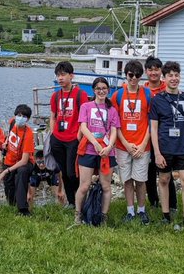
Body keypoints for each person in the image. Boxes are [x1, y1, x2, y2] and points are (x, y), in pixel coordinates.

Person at [149, 61, 184, 227]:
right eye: (170, 75)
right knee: (164, 179)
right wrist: (157, 153)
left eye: (176, 75)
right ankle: (166, 215)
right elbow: (153, 128)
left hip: (183, 147)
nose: (174, 78)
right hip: (165, 147)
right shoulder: (157, 100)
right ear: (164, 78)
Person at [72, 77, 120, 228]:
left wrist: (109, 146)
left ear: (108, 90)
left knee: (106, 186)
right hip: (88, 150)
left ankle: (103, 217)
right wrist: (95, 143)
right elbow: (83, 127)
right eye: (98, 88)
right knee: (84, 185)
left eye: (104, 88)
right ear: (94, 90)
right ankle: (78, 215)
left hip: (106, 152)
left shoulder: (112, 110)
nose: (101, 91)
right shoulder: (86, 106)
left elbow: (114, 130)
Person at [48, 61, 89, 212]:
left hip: (73, 139)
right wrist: (53, 134)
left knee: (73, 173)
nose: (60, 78)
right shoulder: (56, 95)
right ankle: (71, 202)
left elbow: (84, 117)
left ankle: (80, 200)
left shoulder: (80, 94)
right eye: (58, 75)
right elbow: (53, 116)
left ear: (71, 76)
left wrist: (79, 135)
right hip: (58, 139)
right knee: (64, 172)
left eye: (63, 75)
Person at [115, 59, 151, 224]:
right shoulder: (118, 95)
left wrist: (143, 145)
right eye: (131, 75)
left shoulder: (147, 94)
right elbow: (115, 124)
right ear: (126, 75)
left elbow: (152, 123)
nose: (134, 78)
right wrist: (126, 144)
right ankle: (130, 211)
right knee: (127, 180)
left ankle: (141, 210)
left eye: (137, 75)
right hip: (123, 146)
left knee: (140, 180)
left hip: (142, 145)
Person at [143, 56, 176, 212]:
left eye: (156, 69)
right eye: (150, 70)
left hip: (164, 135)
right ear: (146, 71)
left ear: (161, 71)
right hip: (146, 134)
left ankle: (172, 204)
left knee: (166, 171)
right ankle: (154, 202)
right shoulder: (143, 90)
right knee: (149, 171)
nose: (153, 73)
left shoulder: (167, 88)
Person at [0, 104, 35, 215]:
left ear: (28, 119)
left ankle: (23, 209)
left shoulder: (28, 134)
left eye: (24, 116)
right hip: (10, 159)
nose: (20, 118)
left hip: (24, 162)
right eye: (19, 115)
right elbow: (9, 135)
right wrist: (6, 143)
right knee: (9, 188)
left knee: (21, 172)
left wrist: (6, 171)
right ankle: (12, 206)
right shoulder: (12, 123)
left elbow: (24, 160)